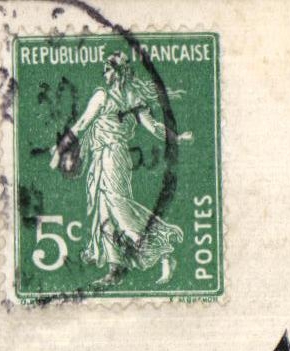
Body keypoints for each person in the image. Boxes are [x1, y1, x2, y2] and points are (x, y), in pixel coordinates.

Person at [50, 52, 193, 284]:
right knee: (104, 213)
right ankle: (114, 269)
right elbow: (84, 124)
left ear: (118, 72)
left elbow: (153, 126)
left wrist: (176, 138)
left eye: (107, 69)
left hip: (114, 157)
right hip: (101, 157)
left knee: (119, 209)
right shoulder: (108, 95)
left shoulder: (122, 96)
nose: (104, 74)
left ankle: (164, 251)